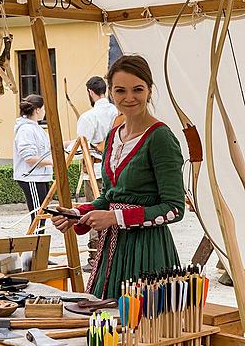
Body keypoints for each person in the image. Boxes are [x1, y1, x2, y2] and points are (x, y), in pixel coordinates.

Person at [52, 55, 185, 299]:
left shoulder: (160, 138)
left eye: (138, 89)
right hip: (111, 253)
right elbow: (110, 197)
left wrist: (115, 218)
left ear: (149, 90)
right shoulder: (113, 136)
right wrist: (78, 214)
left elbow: (174, 209)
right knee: (105, 325)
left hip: (147, 253)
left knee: (142, 326)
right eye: (120, 90)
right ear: (111, 93)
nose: (129, 97)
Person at [74, 76, 117, 272]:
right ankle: (110, 252)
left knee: (94, 212)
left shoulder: (89, 116)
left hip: (96, 169)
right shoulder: (117, 112)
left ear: (91, 92)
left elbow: (82, 144)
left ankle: (95, 257)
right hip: (115, 170)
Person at [13, 94, 53, 235]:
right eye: (43, 109)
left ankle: (37, 253)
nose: (44, 112)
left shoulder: (35, 128)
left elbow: (49, 147)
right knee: (38, 218)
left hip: (40, 176)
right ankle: (33, 254)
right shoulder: (26, 129)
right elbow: (29, 157)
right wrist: (54, 163)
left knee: (41, 218)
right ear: (37, 110)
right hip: (31, 177)